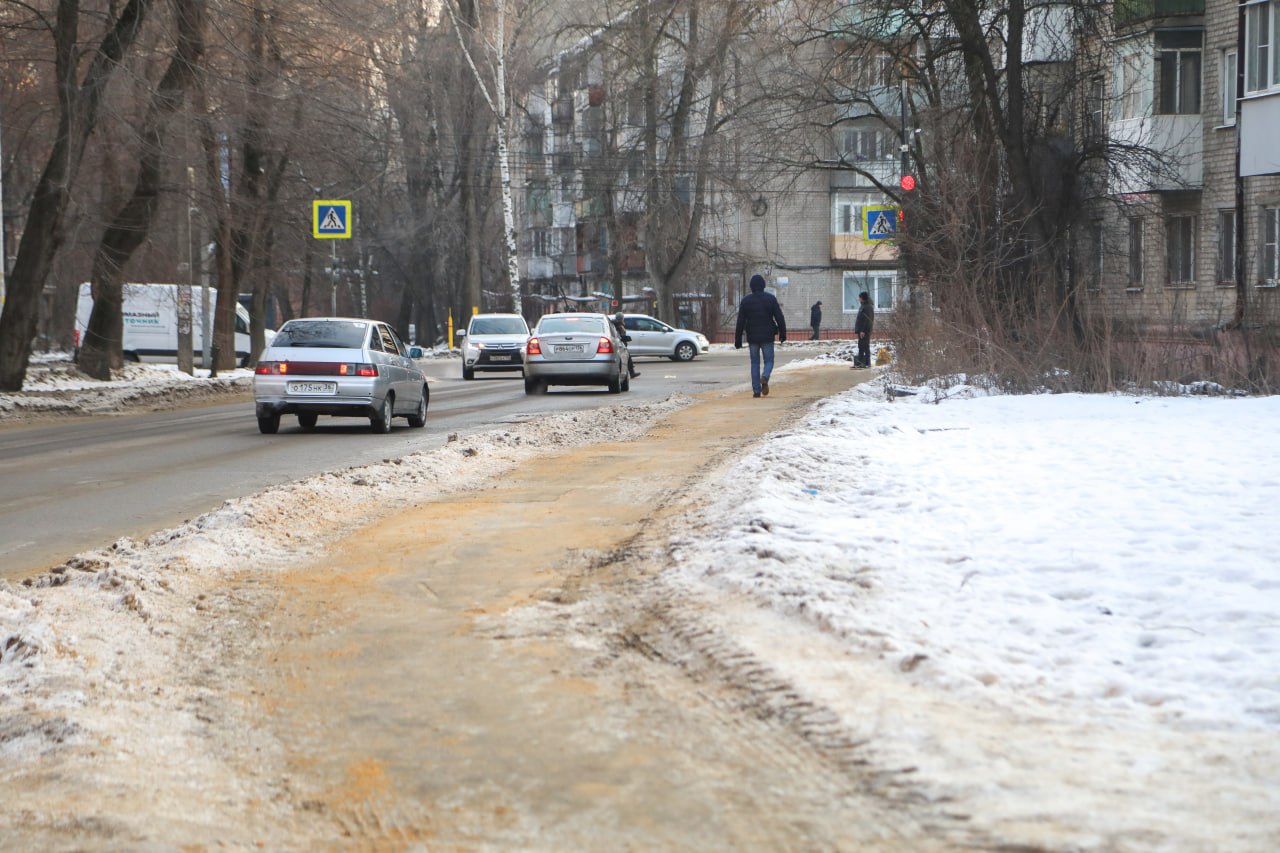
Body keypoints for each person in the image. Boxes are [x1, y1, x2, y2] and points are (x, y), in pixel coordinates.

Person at [734, 274, 787, 397]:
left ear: (751, 286)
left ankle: (756, 391)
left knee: (755, 363)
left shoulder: (746, 301)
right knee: (769, 360)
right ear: (763, 286)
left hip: (752, 337)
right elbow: (779, 317)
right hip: (768, 336)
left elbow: (740, 321)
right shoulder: (770, 299)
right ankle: (765, 376)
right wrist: (783, 333)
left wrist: (738, 339)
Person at [613, 311, 640, 378]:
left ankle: (631, 372)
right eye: (622, 318)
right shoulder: (618, 326)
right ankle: (631, 373)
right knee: (626, 358)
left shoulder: (619, 325)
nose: (623, 319)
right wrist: (626, 338)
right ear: (621, 318)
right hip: (620, 344)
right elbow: (619, 336)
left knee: (627, 358)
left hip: (622, 344)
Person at [853, 291, 874, 368]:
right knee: (861, 346)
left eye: (859, 297)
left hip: (864, 331)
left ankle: (866, 363)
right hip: (862, 331)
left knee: (864, 346)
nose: (858, 299)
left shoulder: (867, 307)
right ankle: (861, 362)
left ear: (862, 298)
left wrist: (863, 330)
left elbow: (866, 320)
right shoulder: (863, 306)